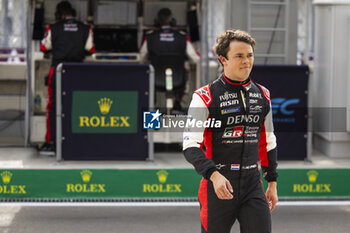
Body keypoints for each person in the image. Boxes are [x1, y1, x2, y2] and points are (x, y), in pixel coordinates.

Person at [183, 29, 278, 233]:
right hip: (218, 184)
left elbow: (268, 142)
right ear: (223, 59)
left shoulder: (264, 94)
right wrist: (214, 175)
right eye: (239, 56)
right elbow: (190, 146)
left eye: (250, 55)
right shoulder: (204, 96)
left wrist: (272, 182)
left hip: (253, 183)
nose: (246, 61)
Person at [40, 1, 95, 155]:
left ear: (60, 15)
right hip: (77, 72)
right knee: (78, 106)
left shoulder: (53, 28)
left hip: (58, 70)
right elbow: (90, 49)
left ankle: (51, 142)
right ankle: (77, 141)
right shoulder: (85, 28)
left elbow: (44, 47)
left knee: (53, 106)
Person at [139, 8, 199, 111]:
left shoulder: (150, 37)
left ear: (156, 22)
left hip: (156, 81)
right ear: (173, 21)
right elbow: (195, 58)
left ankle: (153, 108)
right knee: (187, 69)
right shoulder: (182, 37)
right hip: (177, 80)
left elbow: (140, 59)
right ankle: (177, 102)